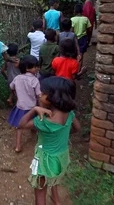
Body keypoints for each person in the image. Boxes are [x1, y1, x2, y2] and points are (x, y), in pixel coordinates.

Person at [18, 77, 77, 205]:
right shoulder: (69, 113)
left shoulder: (44, 121)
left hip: (45, 160)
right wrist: (63, 134)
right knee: (54, 177)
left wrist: (34, 109)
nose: (40, 95)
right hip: (61, 156)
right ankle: (56, 200)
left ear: (53, 98)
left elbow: (21, 125)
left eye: (43, 93)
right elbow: (77, 128)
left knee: (40, 191)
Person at [8, 55, 41, 153]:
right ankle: (36, 138)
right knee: (35, 123)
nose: (37, 68)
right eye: (35, 67)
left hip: (20, 107)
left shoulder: (17, 78)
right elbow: (39, 95)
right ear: (27, 68)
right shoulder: (35, 80)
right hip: (32, 107)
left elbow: (11, 87)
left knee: (19, 127)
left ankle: (18, 146)